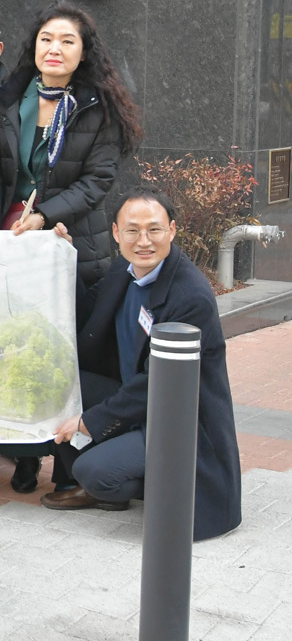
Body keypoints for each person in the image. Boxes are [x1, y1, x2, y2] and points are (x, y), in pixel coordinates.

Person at [0, 1, 141, 493]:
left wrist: (46, 216)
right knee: (16, 352)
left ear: (84, 52)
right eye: (47, 39)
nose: (55, 48)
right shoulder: (8, 99)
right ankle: (23, 457)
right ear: (34, 46)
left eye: (68, 41)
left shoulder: (97, 106)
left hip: (73, 246)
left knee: (65, 359)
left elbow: (98, 181)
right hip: (12, 242)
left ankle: (69, 468)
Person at [42, 190, 241, 540]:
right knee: (57, 385)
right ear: (116, 233)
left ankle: (124, 482)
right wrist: (64, 260)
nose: (144, 241)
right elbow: (90, 315)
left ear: (172, 230)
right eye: (132, 230)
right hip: (136, 399)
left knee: (93, 470)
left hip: (176, 419)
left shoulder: (189, 297)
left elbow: (159, 385)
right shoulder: (126, 269)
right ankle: (117, 472)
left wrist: (90, 422)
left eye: (154, 230)